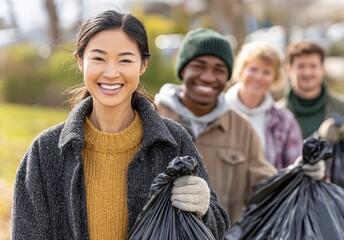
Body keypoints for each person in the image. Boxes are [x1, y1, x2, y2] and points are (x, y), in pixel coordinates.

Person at [11, 11, 230, 239]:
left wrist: (204, 209)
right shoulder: (45, 152)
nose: (111, 72)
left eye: (125, 60)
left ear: (143, 65)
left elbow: (218, 228)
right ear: (80, 62)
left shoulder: (173, 142)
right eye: (99, 58)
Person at [154, 28, 325, 224]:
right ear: (183, 69)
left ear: (227, 75)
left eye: (218, 69)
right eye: (199, 66)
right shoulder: (154, 118)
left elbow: (267, 183)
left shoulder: (242, 128)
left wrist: (304, 173)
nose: (208, 77)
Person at [225, 42, 303, 169]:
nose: (258, 77)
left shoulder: (284, 121)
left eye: (266, 72)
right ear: (242, 70)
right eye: (253, 69)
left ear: (275, 77)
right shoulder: (218, 111)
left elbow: (295, 169)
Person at [278, 40, 344, 149]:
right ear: (288, 70)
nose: (307, 73)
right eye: (301, 66)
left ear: (322, 69)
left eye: (313, 66)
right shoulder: (277, 115)